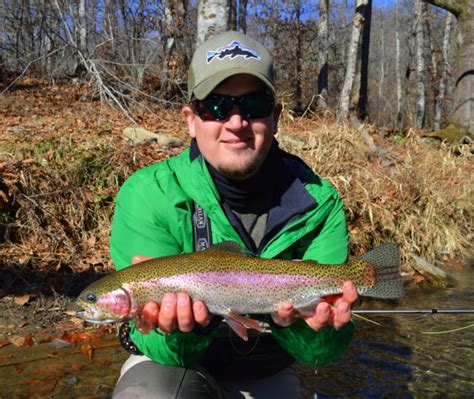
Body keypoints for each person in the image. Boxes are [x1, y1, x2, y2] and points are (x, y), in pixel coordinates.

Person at [110, 31, 358, 399]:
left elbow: (322, 353)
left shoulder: (318, 203)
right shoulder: (149, 195)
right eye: (217, 107)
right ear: (191, 120)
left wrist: (306, 327)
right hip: (173, 369)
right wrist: (186, 328)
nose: (237, 121)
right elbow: (157, 348)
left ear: (275, 117)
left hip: (269, 369)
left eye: (254, 105)